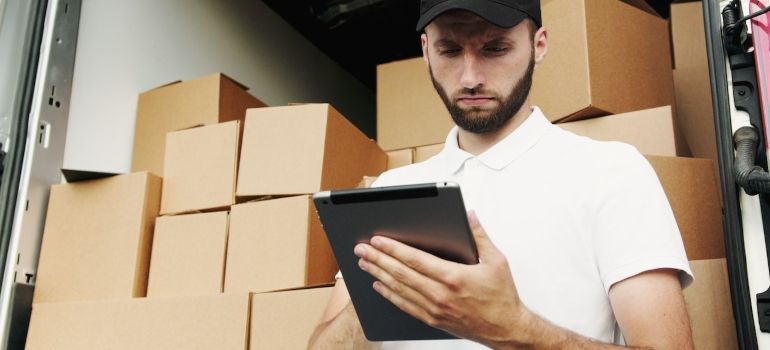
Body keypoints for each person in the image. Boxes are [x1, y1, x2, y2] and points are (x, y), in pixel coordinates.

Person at [308, 0, 694, 348]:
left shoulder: (611, 173)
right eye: (450, 50)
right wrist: (385, 282)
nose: (470, 77)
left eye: (495, 48)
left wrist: (512, 326)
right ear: (426, 51)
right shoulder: (392, 190)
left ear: (538, 45)